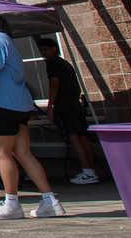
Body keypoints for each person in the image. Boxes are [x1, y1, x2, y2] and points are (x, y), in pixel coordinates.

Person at [0, 5, 64, 220]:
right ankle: (50, 201)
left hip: (1, 104)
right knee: (23, 153)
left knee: (2, 154)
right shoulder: (4, 40)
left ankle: (12, 204)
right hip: (19, 105)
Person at [37, 37, 100, 185]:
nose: (43, 53)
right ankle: (91, 169)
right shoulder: (66, 63)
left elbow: (54, 84)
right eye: (41, 50)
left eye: (45, 49)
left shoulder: (53, 63)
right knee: (82, 136)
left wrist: (50, 105)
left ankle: (87, 171)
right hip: (74, 102)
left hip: (64, 103)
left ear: (54, 49)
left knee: (73, 136)